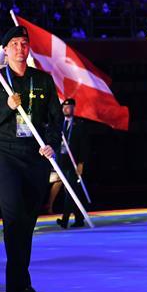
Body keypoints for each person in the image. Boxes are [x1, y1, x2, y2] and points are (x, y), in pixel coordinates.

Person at [0, 25, 63, 292]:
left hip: (34, 157)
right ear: (5, 49)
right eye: (13, 43)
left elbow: (55, 119)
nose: (19, 48)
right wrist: (7, 108)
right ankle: (22, 283)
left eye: (23, 43)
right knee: (14, 216)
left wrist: (50, 143)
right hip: (4, 156)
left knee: (25, 221)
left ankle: (14, 288)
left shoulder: (43, 80)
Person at [54, 98, 92, 229]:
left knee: (70, 191)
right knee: (72, 191)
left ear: (73, 108)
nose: (66, 109)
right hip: (62, 161)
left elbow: (84, 146)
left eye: (69, 106)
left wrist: (81, 163)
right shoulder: (59, 124)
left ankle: (64, 220)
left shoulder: (79, 125)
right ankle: (79, 219)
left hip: (73, 162)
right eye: (64, 107)